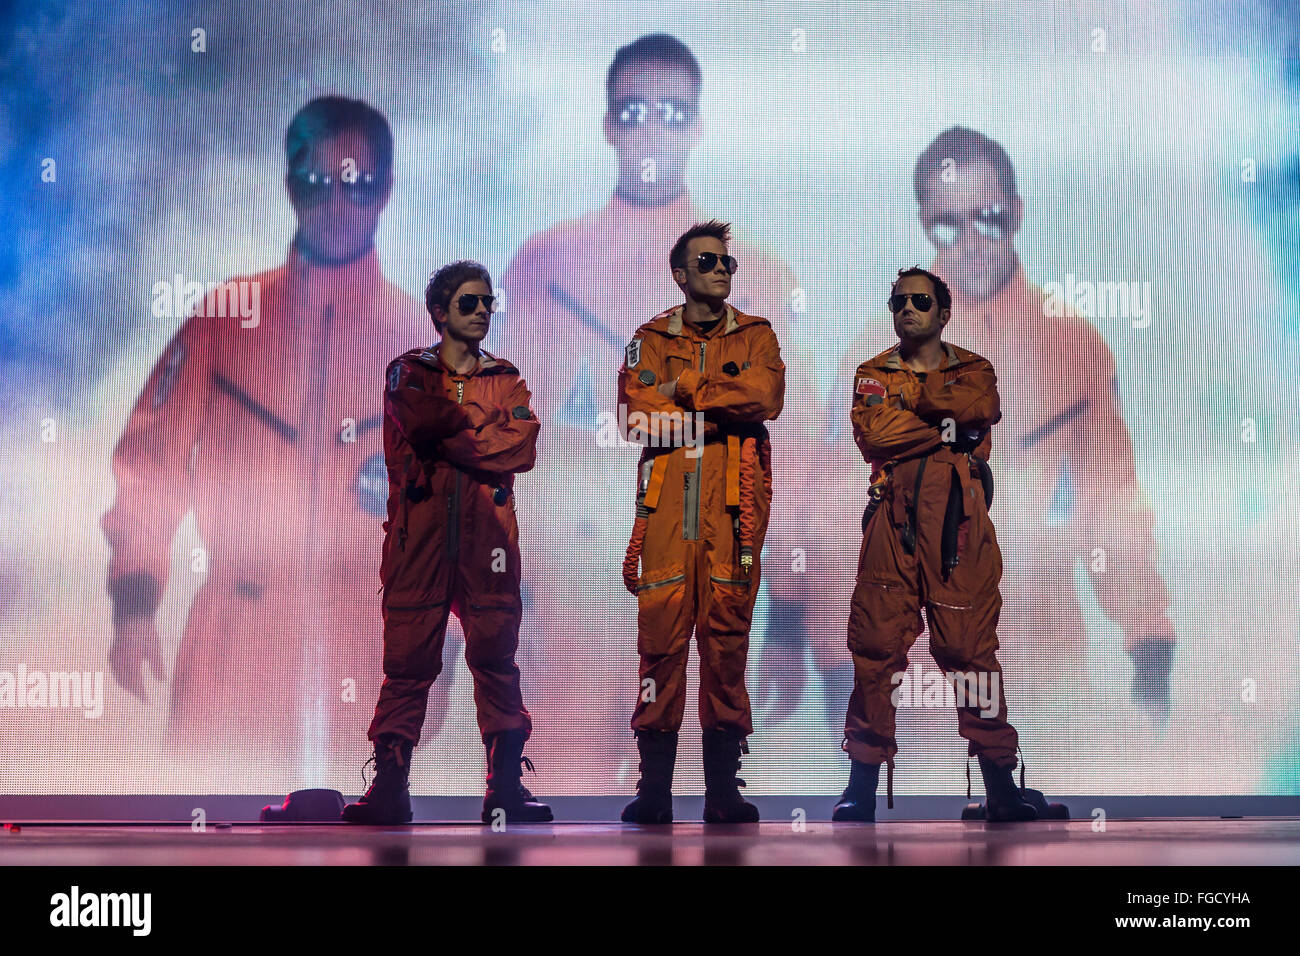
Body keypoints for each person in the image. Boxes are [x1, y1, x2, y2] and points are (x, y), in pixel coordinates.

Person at [496, 33, 815, 783]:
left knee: (702, 814)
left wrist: (793, 620)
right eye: (634, 110)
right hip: (572, 604)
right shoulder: (545, 265)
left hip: (704, 589)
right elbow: (506, 449)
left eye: (672, 112)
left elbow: (788, 457)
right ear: (608, 124)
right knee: (561, 811)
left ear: (697, 126)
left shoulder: (758, 275)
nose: (651, 130)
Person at [101, 96, 425, 765]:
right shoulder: (225, 318)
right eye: (316, 183)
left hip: (367, 657)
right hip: (236, 644)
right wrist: (135, 602)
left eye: (358, 184)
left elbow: (454, 515)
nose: (337, 203)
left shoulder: (418, 344)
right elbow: (151, 465)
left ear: (387, 190)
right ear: (288, 186)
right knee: (213, 848)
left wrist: (445, 651)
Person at [342, 261, 551, 825]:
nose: (482, 311)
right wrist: (484, 433)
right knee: (407, 667)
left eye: (488, 303)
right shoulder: (408, 373)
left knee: (497, 663)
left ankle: (504, 789)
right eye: (469, 302)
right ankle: (389, 788)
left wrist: (458, 435)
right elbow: (427, 422)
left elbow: (522, 448)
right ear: (439, 312)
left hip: (490, 549)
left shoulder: (506, 376)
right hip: (419, 545)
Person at [833, 267, 1038, 823]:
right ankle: (861, 786)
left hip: (959, 529)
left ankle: (1001, 784)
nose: (908, 309)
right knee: (875, 652)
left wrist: (920, 414)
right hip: (891, 528)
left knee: (971, 654)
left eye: (920, 301)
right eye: (899, 301)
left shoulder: (975, 368)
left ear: (943, 313)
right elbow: (876, 435)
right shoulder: (872, 371)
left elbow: (977, 412)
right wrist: (946, 424)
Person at [617, 220, 784, 824]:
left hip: (733, 514)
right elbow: (636, 418)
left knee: (727, 643)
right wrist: (717, 411)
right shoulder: (650, 336)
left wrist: (685, 385)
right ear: (680, 274)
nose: (721, 270)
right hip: (667, 509)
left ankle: (723, 792)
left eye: (727, 263)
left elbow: (766, 399)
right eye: (708, 262)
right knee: (659, 646)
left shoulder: (757, 335)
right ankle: (654, 791)